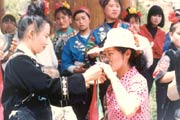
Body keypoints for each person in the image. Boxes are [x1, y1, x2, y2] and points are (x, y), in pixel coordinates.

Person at [1, 7, 104, 120]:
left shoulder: (25, 61)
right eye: (45, 36)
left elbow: (49, 90)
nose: (46, 42)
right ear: (31, 34)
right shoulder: (19, 62)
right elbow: (47, 86)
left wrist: (83, 82)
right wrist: (84, 78)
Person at [98, 28, 149, 119]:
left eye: (110, 54)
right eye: (105, 55)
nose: (107, 59)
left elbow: (129, 110)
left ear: (127, 54)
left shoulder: (138, 81)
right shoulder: (115, 81)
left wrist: (112, 77)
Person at [153, 9, 180, 120]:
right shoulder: (169, 55)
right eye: (179, 34)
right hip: (170, 102)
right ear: (171, 35)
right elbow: (159, 76)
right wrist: (177, 73)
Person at [139, 5, 166, 93]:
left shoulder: (162, 33)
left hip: (157, 64)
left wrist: (151, 45)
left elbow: (161, 51)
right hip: (143, 63)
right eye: (154, 15)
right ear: (149, 16)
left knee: (156, 90)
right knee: (143, 88)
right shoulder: (141, 30)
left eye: (159, 16)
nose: (157, 18)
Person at [61, 6, 93, 75]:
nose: (81, 22)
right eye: (77, 19)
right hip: (78, 78)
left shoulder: (97, 36)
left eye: (83, 18)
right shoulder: (70, 41)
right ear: (74, 22)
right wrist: (75, 69)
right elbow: (65, 63)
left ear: (89, 19)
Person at [53, 1, 76, 70]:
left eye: (63, 17)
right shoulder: (53, 35)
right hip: (56, 66)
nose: (61, 21)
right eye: (58, 18)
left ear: (70, 18)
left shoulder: (75, 34)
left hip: (72, 67)